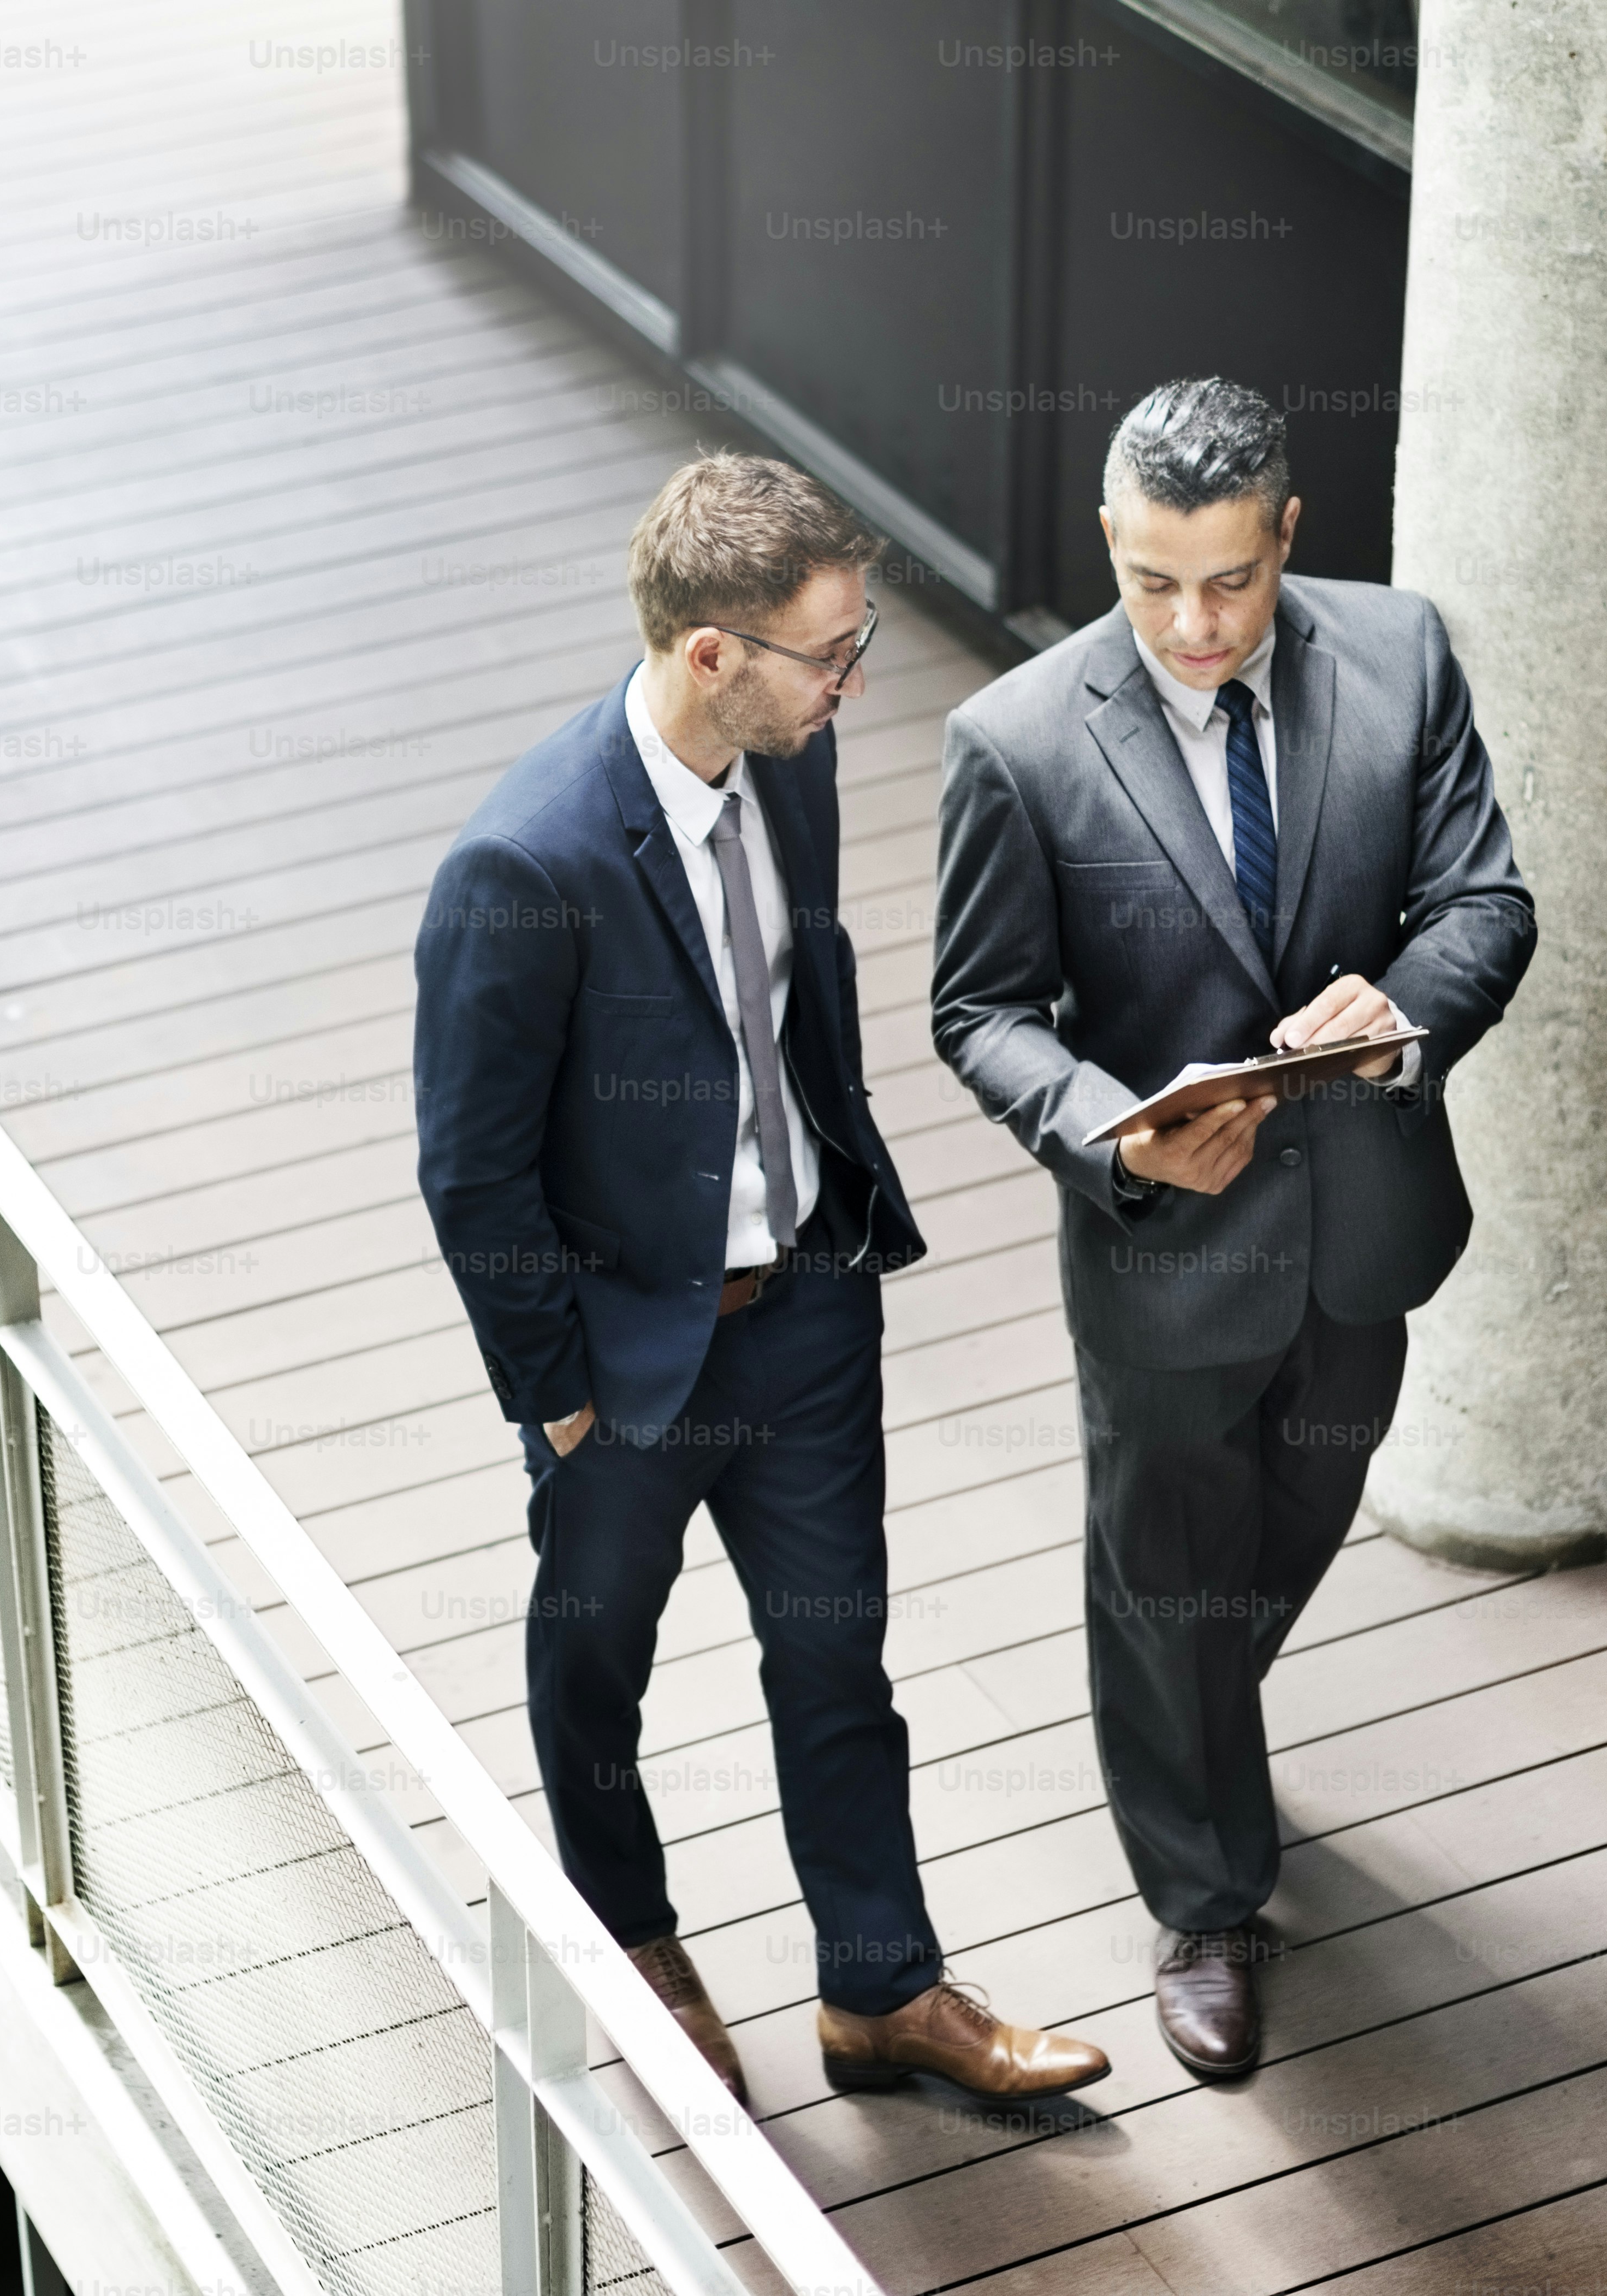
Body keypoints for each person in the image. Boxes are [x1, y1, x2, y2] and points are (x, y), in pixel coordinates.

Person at [414, 451, 1107, 2106]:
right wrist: (561, 1396)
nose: (854, 682)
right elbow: (472, 1168)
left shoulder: (788, 763)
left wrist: (837, 1230)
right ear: (712, 652)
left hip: (802, 1312)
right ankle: (635, 1952)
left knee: (837, 1665)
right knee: (596, 1673)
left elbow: (798, 1004)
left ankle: (880, 1988)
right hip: (626, 1366)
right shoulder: (524, 865)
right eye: (831, 653)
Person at [932, 380, 1535, 2080]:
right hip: (1162, 1254)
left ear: (1288, 534)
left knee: (1280, 1528)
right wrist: (1110, 1140)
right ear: (1108, 545)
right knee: (1167, 1569)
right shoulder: (1018, 742)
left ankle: (1179, 1711)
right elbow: (983, 1011)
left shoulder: (1402, 655)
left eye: (1227, 582)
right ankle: (1203, 1895)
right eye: (1148, 584)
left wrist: (1402, 1006)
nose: (1191, 628)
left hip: (1362, 1222)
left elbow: (1485, 899)